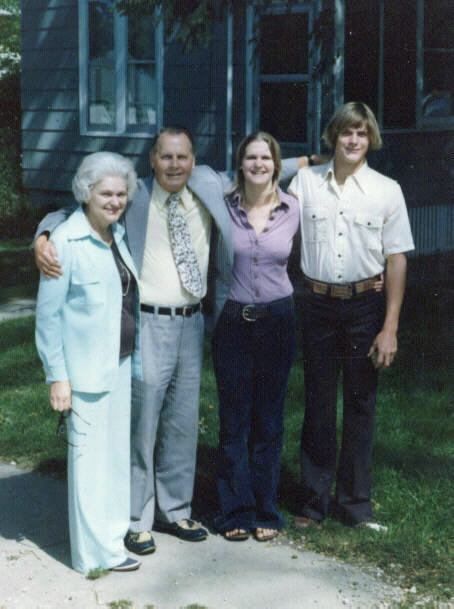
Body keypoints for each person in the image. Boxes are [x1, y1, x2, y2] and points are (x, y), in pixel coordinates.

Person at [34, 127, 308, 555]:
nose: (175, 165)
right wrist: (43, 235)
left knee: (182, 421)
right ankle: (136, 517)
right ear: (152, 160)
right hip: (149, 322)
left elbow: (268, 165)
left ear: (194, 161)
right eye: (166, 157)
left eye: (182, 157)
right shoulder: (133, 194)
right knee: (145, 423)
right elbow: (75, 208)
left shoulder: (208, 184)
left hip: (195, 321)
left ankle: (176, 509)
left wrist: (322, 161)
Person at [288, 102, 415, 530]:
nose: (354, 141)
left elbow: (396, 259)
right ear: (333, 136)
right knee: (319, 402)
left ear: (371, 138)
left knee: (361, 403)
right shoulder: (304, 184)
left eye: (361, 133)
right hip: (317, 304)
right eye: (346, 133)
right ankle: (312, 502)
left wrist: (390, 326)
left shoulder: (386, 189)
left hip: (366, 306)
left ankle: (356, 505)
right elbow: (272, 223)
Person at [35, 152, 142, 574]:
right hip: (82, 373)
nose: (114, 201)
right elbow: (48, 317)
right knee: (88, 466)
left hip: (118, 364)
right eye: (106, 194)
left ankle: (112, 540)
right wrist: (57, 377)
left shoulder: (117, 235)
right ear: (86, 193)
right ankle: (91, 554)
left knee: (114, 461)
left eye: (120, 194)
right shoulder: (65, 241)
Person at [212, 132, 299, 542]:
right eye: (251, 157)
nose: (259, 164)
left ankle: (265, 507)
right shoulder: (222, 208)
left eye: (266, 157)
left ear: (276, 164)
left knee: (268, 417)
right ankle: (235, 511)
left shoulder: (294, 208)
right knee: (234, 418)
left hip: (277, 322)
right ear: (240, 163)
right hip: (232, 321)